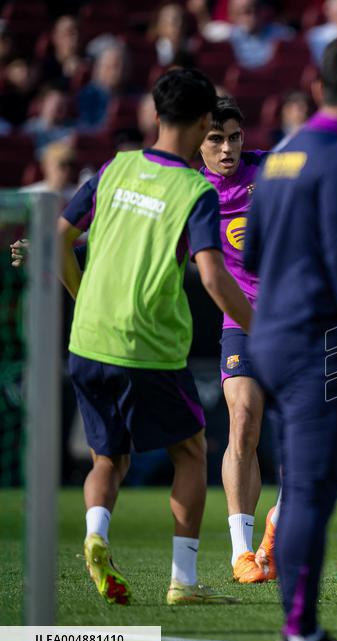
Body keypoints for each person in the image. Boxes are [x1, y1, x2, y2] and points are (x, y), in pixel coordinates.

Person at [59, 68, 253, 606]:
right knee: (191, 451)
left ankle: (96, 534)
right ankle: (183, 583)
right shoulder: (195, 189)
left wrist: (81, 301)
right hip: (148, 345)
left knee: (107, 459)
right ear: (199, 123)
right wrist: (261, 332)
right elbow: (212, 276)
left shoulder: (114, 167)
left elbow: (57, 236)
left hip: (88, 339)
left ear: (155, 114)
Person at [243, 37, 337, 641]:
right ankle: (300, 635)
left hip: (267, 337)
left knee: (297, 484)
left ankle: (299, 629)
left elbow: (249, 254)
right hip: (312, 344)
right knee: (310, 492)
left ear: (317, 87)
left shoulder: (280, 154)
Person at [197, 96, 280, 584]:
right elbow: (130, 233)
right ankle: (242, 552)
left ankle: (278, 524)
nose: (227, 148)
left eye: (233, 137)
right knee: (243, 421)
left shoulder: (271, 170)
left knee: (313, 437)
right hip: (242, 323)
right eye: (215, 139)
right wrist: (58, 243)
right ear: (199, 144)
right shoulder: (191, 191)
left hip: (296, 321)